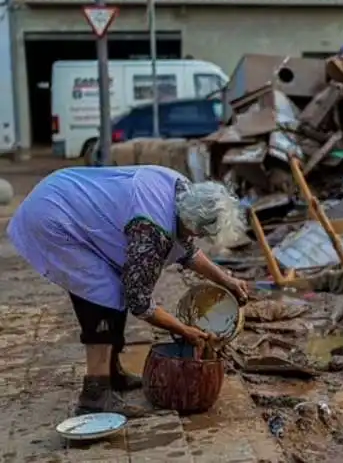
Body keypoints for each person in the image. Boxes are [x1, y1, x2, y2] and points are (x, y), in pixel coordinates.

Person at [7, 165, 250, 417]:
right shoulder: (151, 232)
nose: (197, 238)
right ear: (197, 226)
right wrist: (184, 330)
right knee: (101, 295)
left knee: (115, 290)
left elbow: (186, 248)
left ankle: (112, 373)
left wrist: (226, 280)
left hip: (64, 191)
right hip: (55, 218)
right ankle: (95, 396)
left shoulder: (180, 189)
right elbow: (140, 303)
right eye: (201, 233)